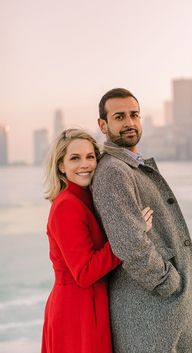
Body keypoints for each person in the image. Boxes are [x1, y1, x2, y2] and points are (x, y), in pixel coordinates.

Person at [92, 88, 192, 353]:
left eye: (134, 115)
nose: (129, 123)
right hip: (148, 312)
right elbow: (130, 244)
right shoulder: (113, 171)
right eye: (119, 117)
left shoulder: (130, 166)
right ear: (103, 125)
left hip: (160, 312)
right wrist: (167, 282)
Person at [40, 128, 153, 353]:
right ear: (61, 166)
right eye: (75, 158)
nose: (85, 164)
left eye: (90, 157)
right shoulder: (67, 206)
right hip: (77, 311)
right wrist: (130, 235)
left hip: (89, 304)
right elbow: (85, 273)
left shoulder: (85, 199)